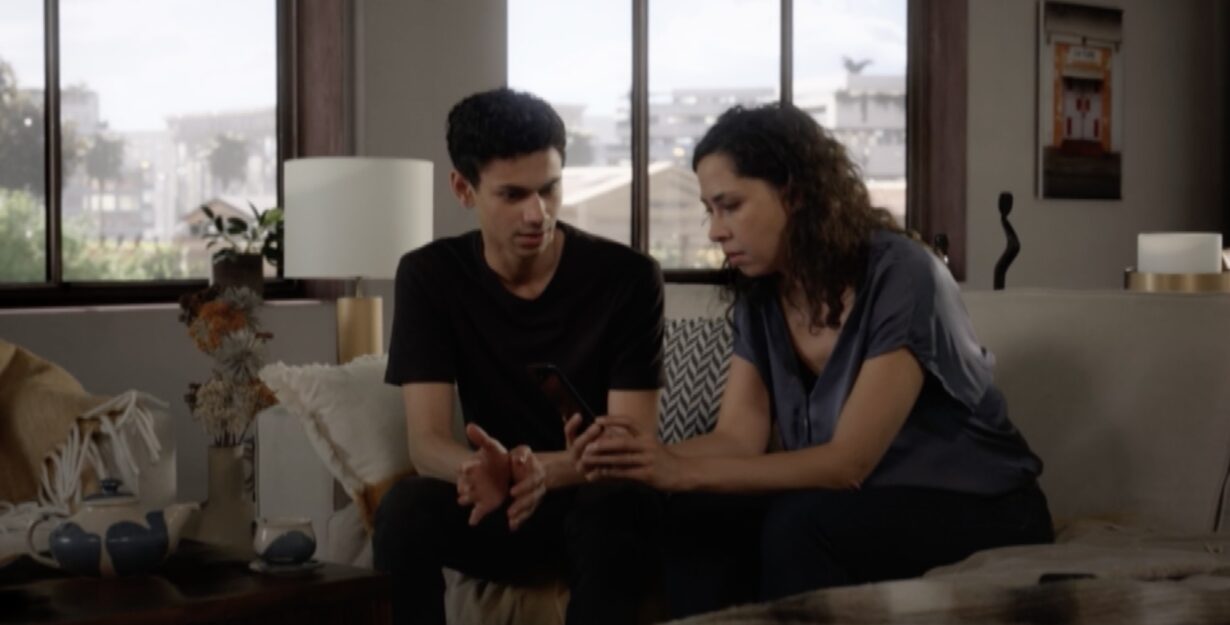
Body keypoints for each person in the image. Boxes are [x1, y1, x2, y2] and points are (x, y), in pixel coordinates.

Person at [577, 103, 1053, 618]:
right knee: (699, 514)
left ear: (796, 193)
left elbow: (848, 463)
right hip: (856, 502)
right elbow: (737, 439)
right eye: (709, 210)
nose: (714, 231)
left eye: (729, 206)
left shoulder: (903, 274)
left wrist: (682, 473)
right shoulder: (761, 293)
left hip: (983, 504)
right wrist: (642, 461)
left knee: (801, 523)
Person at [373, 87, 666, 625]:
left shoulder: (627, 277)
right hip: (498, 503)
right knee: (405, 508)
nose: (537, 214)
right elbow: (426, 442)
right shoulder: (429, 276)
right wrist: (476, 468)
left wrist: (538, 471)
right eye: (512, 195)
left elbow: (631, 445)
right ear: (463, 189)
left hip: (591, 497)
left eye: (549, 189)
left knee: (615, 504)